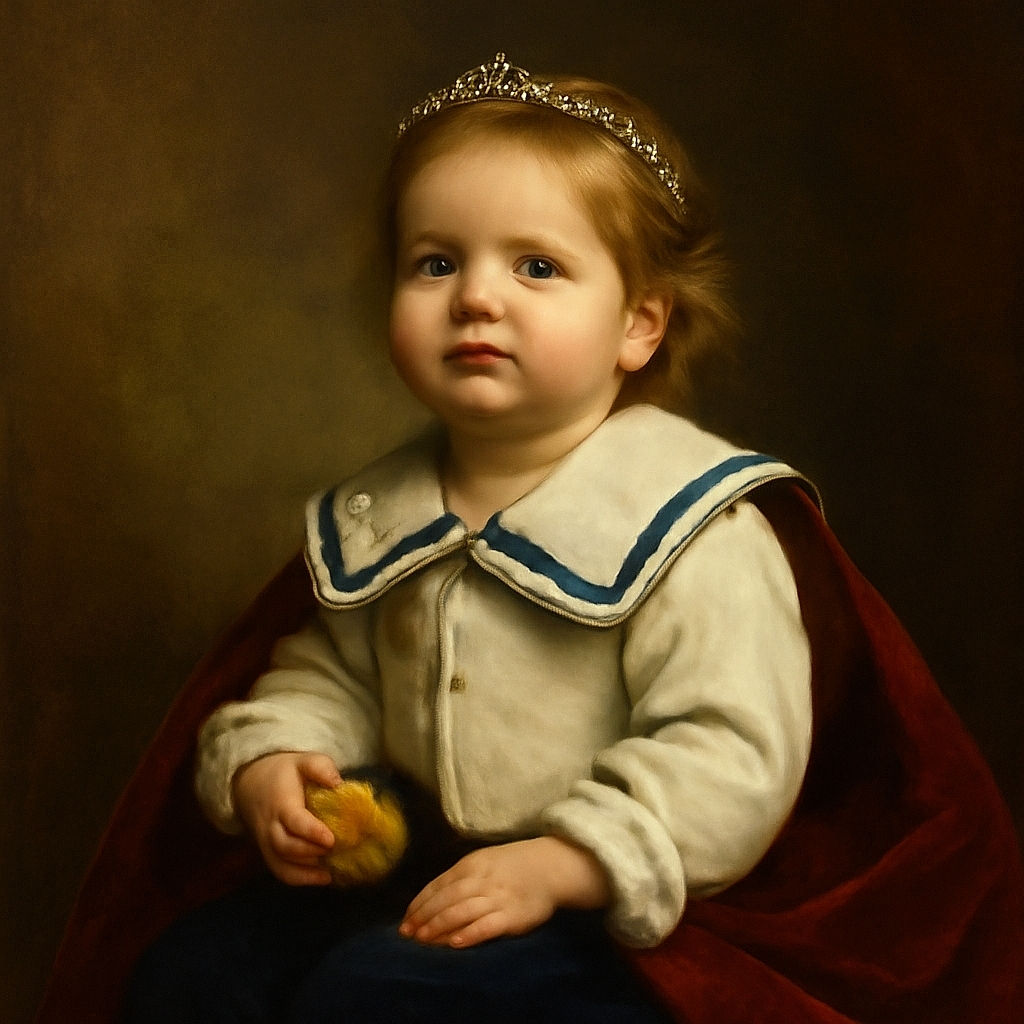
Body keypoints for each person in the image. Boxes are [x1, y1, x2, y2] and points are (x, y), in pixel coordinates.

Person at [38, 55, 1023, 1024]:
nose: (476, 296)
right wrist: (282, 760)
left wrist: (566, 862)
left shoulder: (694, 524)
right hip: (429, 872)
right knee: (195, 974)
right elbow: (334, 675)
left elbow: (728, 752)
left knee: (381, 998)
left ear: (639, 324)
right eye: (436, 262)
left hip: (614, 906)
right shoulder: (386, 510)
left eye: (536, 267)